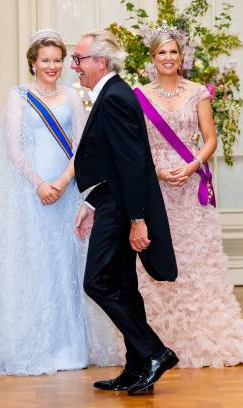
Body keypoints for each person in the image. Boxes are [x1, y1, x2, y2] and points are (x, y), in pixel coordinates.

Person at [0, 29, 121, 375]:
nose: (52, 66)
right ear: (33, 62)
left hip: (67, 192)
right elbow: (13, 148)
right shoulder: (18, 96)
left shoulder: (73, 97)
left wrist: (62, 183)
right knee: (36, 265)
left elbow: (82, 144)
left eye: (58, 60)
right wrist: (40, 184)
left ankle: (69, 348)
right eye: (45, 60)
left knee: (66, 267)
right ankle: (36, 345)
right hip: (33, 195)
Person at [128, 22, 243, 368]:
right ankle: (156, 341)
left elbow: (211, 138)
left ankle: (203, 336)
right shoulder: (139, 96)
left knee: (195, 261)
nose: (168, 58)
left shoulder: (198, 92)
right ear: (152, 58)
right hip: (156, 188)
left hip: (190, 187)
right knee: (156, 260)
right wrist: (156, 170)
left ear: (182, 56)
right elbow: (137, 146)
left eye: (173, 52)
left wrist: (193, 165)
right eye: (161, 53)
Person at [71, 29, 178, 396]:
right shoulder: (112, 94)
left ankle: (154, 352)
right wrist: (90, 203)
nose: (75, 66)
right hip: (111, 201)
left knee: (96, 282)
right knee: (123, 286)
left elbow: (132, 164)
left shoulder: (114, 97)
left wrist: (136, 218)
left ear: (101, 61)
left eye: (79, 59)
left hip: (120, 207)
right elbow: (111, 162)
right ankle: (135, 368)